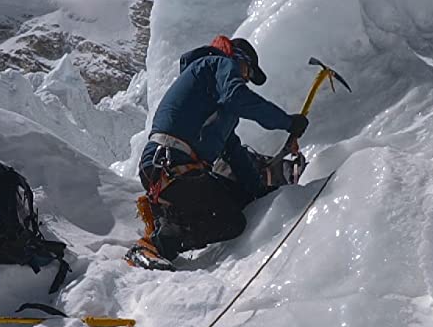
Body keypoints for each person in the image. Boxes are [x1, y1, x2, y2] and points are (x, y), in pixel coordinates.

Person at [124, 35, 308, 270]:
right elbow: (237, 96)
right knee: (230, 221)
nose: (245, 79)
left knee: (241, 200)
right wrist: (287, 122)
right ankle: (157, 244)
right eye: (247, 72)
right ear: (236, 58)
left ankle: (170, 220)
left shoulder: (212, 106)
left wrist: (260, 192)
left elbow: (234, 152)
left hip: (171, 168)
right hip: (170, 164)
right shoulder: (218, 63)